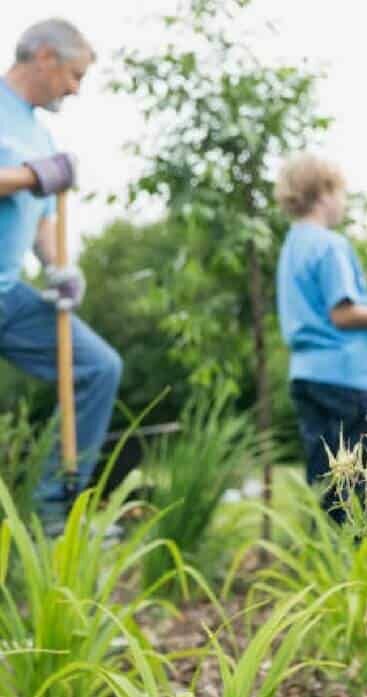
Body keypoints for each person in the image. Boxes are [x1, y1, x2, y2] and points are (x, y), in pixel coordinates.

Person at [0, 19, 121, 529]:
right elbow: (33, 184)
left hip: (8, 294)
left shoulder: (41, 131)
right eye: (74, 75)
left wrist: (58, 267)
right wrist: (32, 176)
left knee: (99, 367)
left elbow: (43, 217)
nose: (75, 88)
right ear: (44, 56)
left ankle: (53, 510)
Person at [274, 153, 367, 523]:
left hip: (307, 376)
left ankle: (328, 571)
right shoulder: (330, 246)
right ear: (324, 193)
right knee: (362, 491)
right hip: (347, 378)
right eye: (341, 193)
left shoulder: (292, 245)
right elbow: (343, 314)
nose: (343, 202)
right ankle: (360, 575)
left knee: (327, 487)